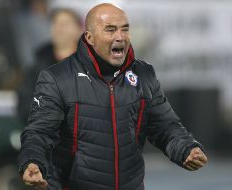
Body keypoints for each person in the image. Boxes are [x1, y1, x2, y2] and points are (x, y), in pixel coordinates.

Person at [18, 3, 208, 190]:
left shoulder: (144, 74)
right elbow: (40, 131)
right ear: (89, 37)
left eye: (124, 29)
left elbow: (165, 125)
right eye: (110, 30)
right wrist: (33, 160)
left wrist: (186, 148)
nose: (120, 37)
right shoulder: (57, 77)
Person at [17, 8, 82, 123]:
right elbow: (25, 106)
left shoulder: (91, 64)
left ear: (79, 29)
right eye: (55, 23)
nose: (59, 28)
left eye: (65, 23)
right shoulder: (38, 66)